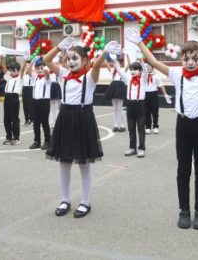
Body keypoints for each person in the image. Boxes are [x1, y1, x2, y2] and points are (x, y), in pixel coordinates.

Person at [127, 19, 198, 230]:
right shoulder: (176, 74)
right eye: (187, 58)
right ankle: (184, 211)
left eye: (195, 58)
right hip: (183, 126)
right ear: (182, 59)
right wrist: (139, 42)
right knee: (183, 169)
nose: (191, 62)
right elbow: (154, 62)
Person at [42, 37, 113, 218]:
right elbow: (46, 60)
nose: (71, 61)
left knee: (84, 162)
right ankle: (65, 200)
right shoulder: (63, 73)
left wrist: (104, 52)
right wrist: (59, 47)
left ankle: (85, 202)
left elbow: (97, 65)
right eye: (69, 58)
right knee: (64, 162)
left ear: (85, 60)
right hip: (65, 117)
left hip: (83, 117)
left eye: (75, 58)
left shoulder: (90, 76)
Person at [113, 59, 149, 157]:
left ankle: (141, 148)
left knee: (141, 127)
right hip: (130, 105)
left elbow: (145, 71)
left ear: (140, 71)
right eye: (131, 70)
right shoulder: (128, 79)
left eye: (135, 69)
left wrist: (141, 62)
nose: (132, 71)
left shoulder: (143, 79)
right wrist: (115, 62)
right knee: (131, 127)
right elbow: (120, 72)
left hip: (140, 104)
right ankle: (132, 147)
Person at [0, 57, 26, 145]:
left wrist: (25, 60)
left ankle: (16, 138)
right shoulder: (8, 77)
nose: (12, 72)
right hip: (7, 97)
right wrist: (2, 57)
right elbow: (3, 67)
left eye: (14, 70)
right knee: (6, 118)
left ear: (18, 71)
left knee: (14, 118)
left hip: (14, 98)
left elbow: (22, 69)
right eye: (11, 70)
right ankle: (9, 136)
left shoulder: (19, 77)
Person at [27, 58, 52, 150]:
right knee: (36, 123)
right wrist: (33, 61)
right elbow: (28, 71)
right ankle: (37, 141)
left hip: (44, 102)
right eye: (37, 68)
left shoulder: (47, 78)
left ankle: (47, 141)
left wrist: (45, 66)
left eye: (41, 68)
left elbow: (47, 74)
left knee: (45, 122)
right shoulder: (35, 78)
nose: (39, 70)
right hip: (35, 102)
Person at [144, 63, 172, 134]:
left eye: (149, 66)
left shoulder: (156, 76)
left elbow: (161, 85)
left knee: (155, 111)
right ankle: (147, 127)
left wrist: (165, 95)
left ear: (152, 67)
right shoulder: (143, 76)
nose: (148, 68)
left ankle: (155, 127)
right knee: (146, 112)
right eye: (146, 67)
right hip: (145, 94)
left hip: (154, 94)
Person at [104, 55, 126, 133]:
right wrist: (103, 58)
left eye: (118, 63)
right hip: (113, 88)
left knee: (120, 109)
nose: (115, 64)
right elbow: (107, 65)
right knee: (115, 109)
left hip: (120, 88)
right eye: (114, 63)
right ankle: (116, 125)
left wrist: (127, 55)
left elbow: (128, 65)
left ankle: (122, 125)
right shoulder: (113, 71)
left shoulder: (123, 70)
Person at [22, 60, 35, 126]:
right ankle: (26, 119)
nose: (27, 67)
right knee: (25, 105)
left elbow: (29, 71)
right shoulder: (23, 73)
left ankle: (32, 119)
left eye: (28, 65)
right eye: (26, 65)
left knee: (31, 105)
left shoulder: (32, 72)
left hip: (31, 88)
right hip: (25, 88)